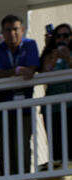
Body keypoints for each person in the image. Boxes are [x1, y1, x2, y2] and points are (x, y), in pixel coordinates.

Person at [0, 14, 39, 180]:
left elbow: (32, 69)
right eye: (8, 30)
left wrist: (12, 71)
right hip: (3, 107)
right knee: (5, 148)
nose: (12, 33)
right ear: (2, 32)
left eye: (15, 29)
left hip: (24, 106)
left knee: (23, 147)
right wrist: (17, 70)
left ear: (22, 30)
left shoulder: (30, 44)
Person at [39, 24, 72, 166]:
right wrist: (53, 57)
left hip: (70, 105)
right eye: (58, 36)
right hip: (53, 108)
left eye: (66, 35)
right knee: (56, 147)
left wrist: (68, 58)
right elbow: (44, 74)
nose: (62, 39)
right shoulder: (49, 54)